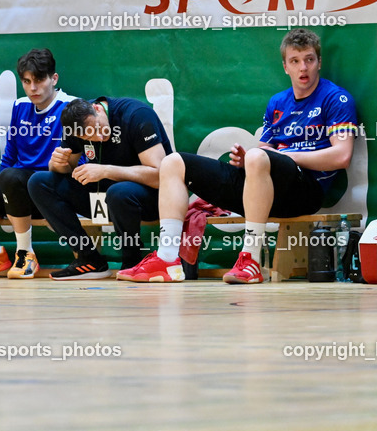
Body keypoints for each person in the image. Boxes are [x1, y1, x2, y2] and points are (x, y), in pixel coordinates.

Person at [119, 28, 358, 284]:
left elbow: (341, 156)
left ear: (319, 62)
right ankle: (167, 259)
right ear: (285, 66)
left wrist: (285, 156)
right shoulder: (278, 102)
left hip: (305, 191)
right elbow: (265, 151)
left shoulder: (336, 98)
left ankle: (250, 260)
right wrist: (248, 161)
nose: (303, 68)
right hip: (262, 189)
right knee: (173, 162)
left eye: (309, 59)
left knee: (257, 156)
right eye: (295, 61)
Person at [0, 48, 76, 279]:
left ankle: (25, 253)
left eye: (39, 80)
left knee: (12, 177)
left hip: (52, 190)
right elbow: (9, 158)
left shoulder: (70, 107)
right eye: (27, 81)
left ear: (54, 78)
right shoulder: (20, 106)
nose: (32, 88)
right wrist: (0, 197)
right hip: (17, 188)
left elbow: (78, 163)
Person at [27, 95, 171, 280]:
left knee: (118, 192)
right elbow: (66, 170)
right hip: (103, 202)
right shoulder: (76, 125)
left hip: (150, 200)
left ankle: (132, 261)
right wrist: (57, 164)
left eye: (98, 129)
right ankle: (88, 258)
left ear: (98, 109)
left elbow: (160, 176)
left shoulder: (137, 115)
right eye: (89, 137)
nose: (99, 137)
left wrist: (106, 171)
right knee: (39, 181)